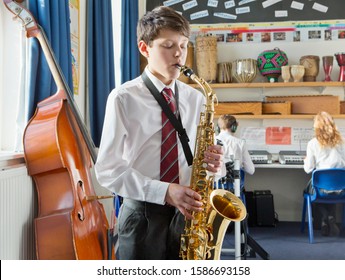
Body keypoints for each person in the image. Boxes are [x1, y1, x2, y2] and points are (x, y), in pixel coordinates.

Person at [95, 6, 224, 260]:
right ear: (145, 48)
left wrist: (215, 165)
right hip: (141, 218)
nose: (179, 54)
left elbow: (204, 167)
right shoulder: (123, 98)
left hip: (188, 217)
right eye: (168, 45)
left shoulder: (196, 98)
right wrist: (164, 191)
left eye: (184, 45)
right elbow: (108, 170)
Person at [303, 111, 345, 236]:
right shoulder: (342, 142)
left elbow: (308, 169)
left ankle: (326, 218)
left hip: (321, 189)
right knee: (329, 189)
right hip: (341, 189)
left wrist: (305, 160)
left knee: (312, 190)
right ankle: (329, 218)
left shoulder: (313, 143)